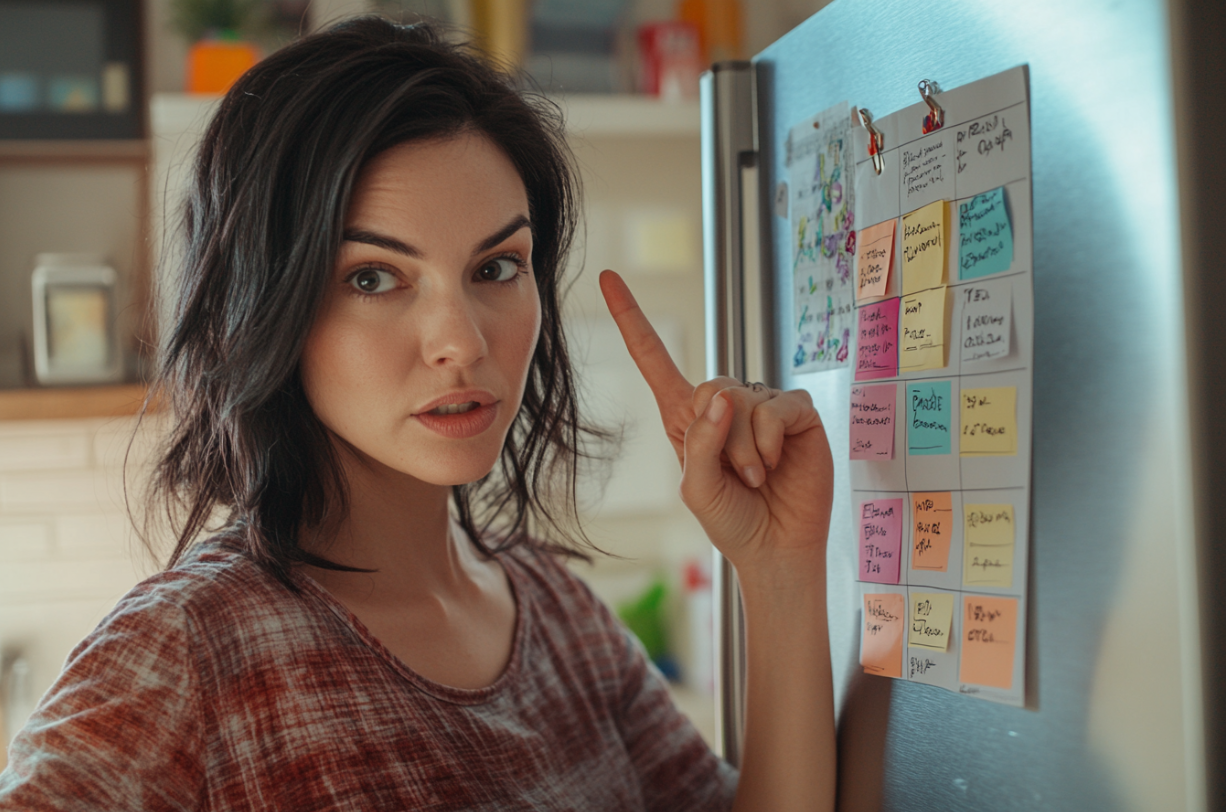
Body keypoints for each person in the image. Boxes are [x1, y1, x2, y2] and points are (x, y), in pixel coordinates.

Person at [0, 16, 835, 812]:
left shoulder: (558, 614)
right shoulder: (189, 652)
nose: (461, 342)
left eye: (498, 267)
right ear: (264, 309)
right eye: (373, 277)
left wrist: (777, 566)